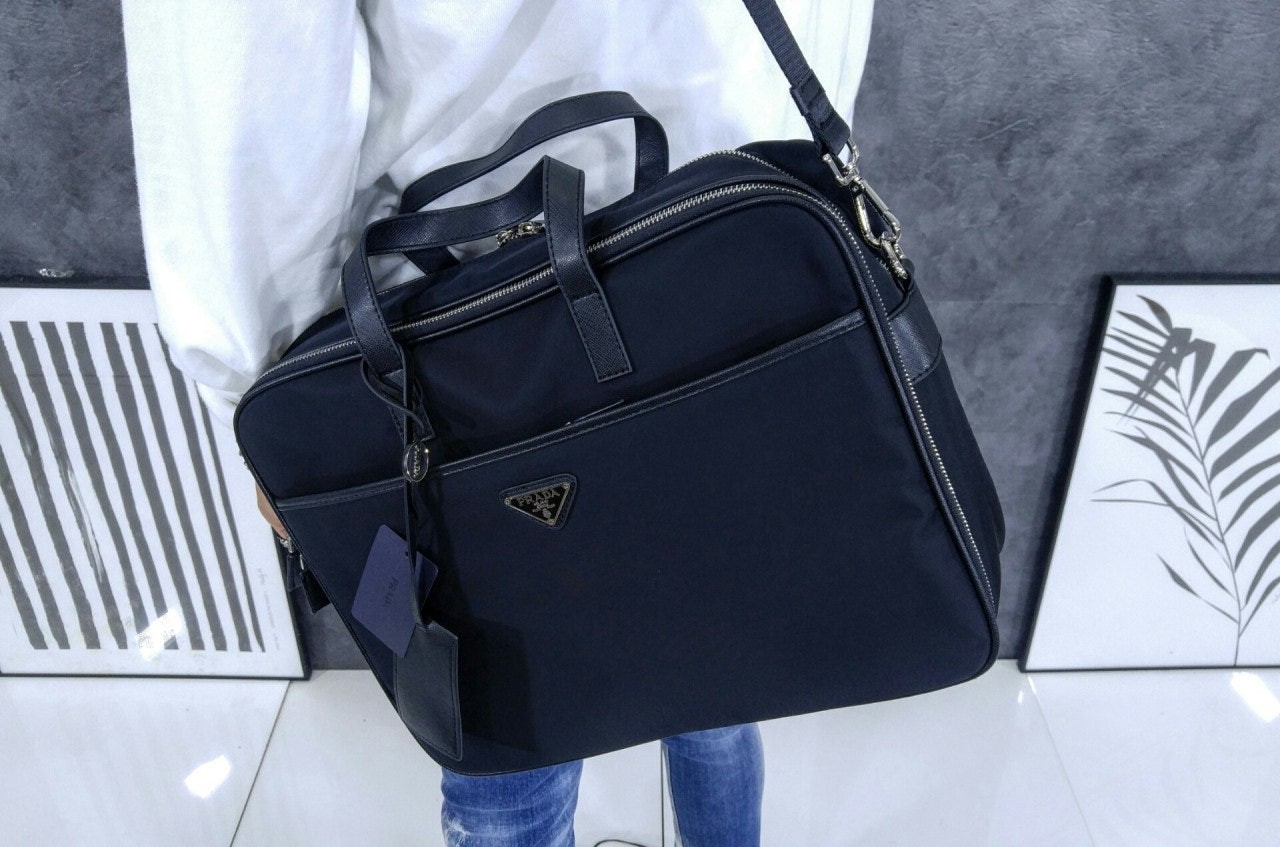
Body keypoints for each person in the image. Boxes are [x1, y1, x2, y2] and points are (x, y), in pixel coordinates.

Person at [121, 2, 873, 844]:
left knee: (511, 726)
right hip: (726, 255)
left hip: (473, 323)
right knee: (719, 648)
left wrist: (267, 392)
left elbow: (243, 81)